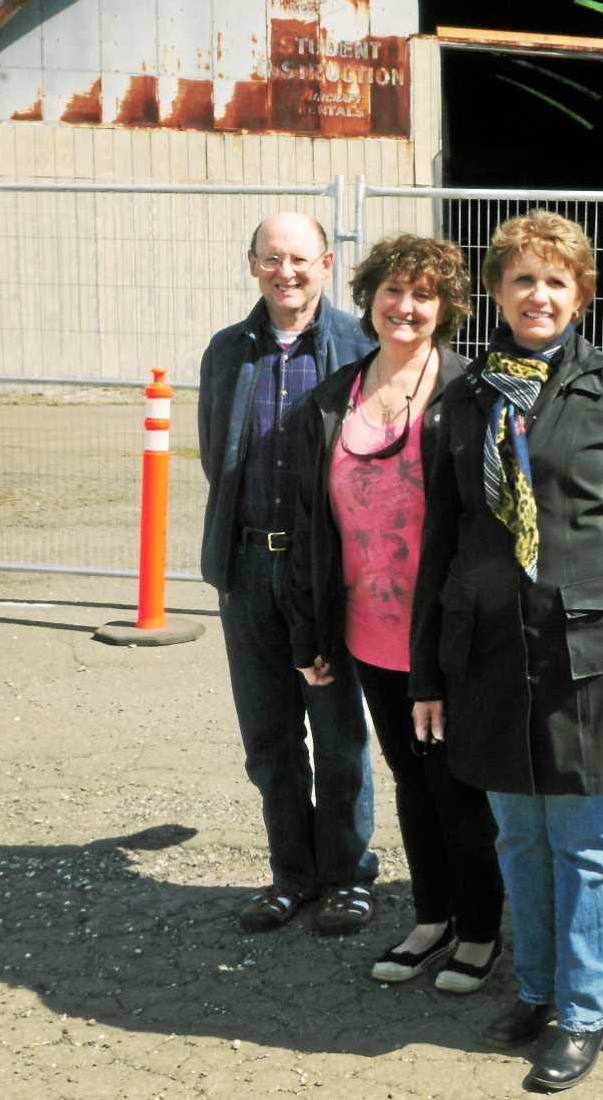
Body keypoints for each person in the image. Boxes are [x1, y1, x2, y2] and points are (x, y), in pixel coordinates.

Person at [410, 210, 603, 1093]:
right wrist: (427, 672)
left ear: (581, 295)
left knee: (587, 842)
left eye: (557, 281)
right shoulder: (463, 397)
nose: (540, 295)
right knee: (518, 835)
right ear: (495, 292)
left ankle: (585, 1011)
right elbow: (438, 545)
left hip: (586, 659)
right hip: (487, 657)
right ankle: (535, 987)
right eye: (523, 279)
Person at [282, 234, 506, 992]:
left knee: (459, 781)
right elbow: (315, 523)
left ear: (445, 310)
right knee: (411, 777)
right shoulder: (332, 396)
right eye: (392, 291)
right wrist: (311, 630)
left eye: (424, 295)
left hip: (450, 632)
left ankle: (481, 928)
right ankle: (431, 915)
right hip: (371, 632)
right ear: (370, 297)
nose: (405, 307)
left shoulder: (469, 391)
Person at [197, 210, 378, 935]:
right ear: (253, 266)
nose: (287, 271)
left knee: (337, 733)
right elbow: (218, 457)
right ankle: (290, 875)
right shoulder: (226, 352)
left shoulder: (357, 348)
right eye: (272, 258)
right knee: (269, 735)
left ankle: (346, 877)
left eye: (300, 258)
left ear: (327, 263)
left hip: (323, 576)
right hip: (246, 568)